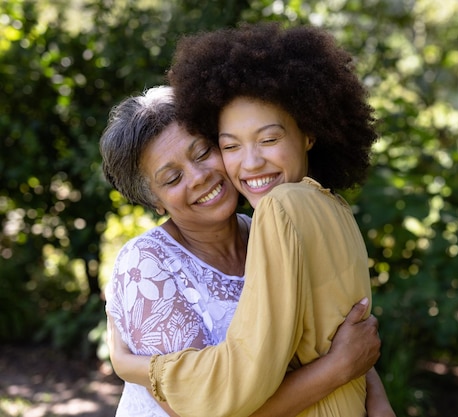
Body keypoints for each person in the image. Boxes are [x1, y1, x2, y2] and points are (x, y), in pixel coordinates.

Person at [110, 23, 395, 417]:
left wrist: (369, 385)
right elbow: (198, 410)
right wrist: (337, 369)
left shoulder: (276, 223)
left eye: (205, 152)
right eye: (172, 178)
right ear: (155, 201)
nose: (199, 177)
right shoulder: (146, 265)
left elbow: (343, 329)